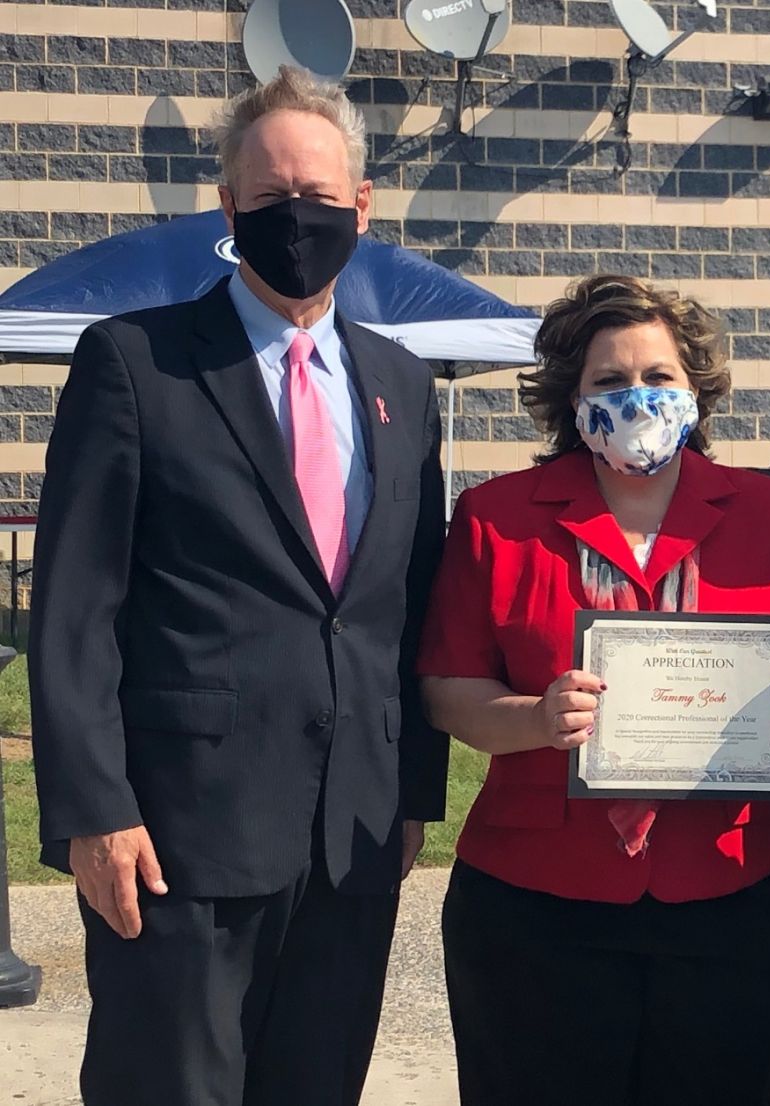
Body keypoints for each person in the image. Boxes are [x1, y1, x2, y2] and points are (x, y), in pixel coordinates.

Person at [27, 65, 447, 1106]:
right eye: (267, 200)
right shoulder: (135, 362)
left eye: (317, 196)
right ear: (228, 208)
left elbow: (405, 601)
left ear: (361, 204)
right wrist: (92, 809)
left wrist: (413, 791)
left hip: (350, 830)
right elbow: (75, 608)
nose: (294, 218)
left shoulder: (402, 382)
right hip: (178, 832)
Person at [417, 273, 770, 1106]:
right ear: (571, 398)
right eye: (609, 381)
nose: (637, 397)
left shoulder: (769, 509)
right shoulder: (496, 516)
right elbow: (446, 687)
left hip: (738, 892)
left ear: (696, 390)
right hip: (538, 905)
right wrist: (537, 719)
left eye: (659, 377)